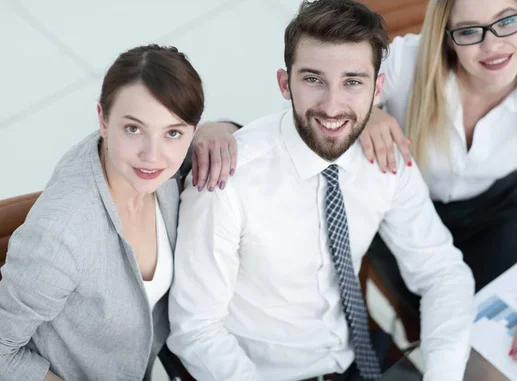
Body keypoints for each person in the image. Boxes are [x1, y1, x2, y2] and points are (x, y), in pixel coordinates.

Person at [167, 1, 475, 381]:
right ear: (285, 83)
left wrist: (442, 374)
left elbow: (443, 272)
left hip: (355, 356)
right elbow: (196, 331)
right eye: (313, 80)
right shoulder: (226, 181)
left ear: (377, 88)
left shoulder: (385, 159)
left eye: (352, 82)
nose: (332, 106)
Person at [357, 0, 517, 364]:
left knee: (500, 351)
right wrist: (363, 113)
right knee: (444, 333)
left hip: (497, 214)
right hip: (407, 213)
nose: (493, 46)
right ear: (447, 37)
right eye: (469, 31)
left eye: (507, 21)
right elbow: (317, 90)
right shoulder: (408, 59)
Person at [0, 45, 205, 381]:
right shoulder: (59, 237)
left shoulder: (162, 171)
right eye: (134, 129)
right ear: (103, 120)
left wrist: (220, 130)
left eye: (172, 132)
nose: (152, 156)